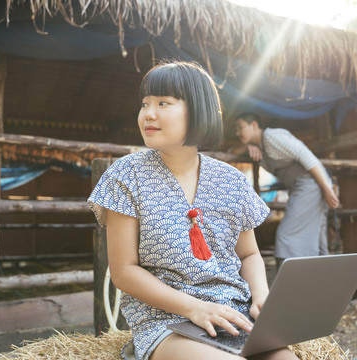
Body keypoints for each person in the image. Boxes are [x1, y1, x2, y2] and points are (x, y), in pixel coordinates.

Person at [88, 61, 299, 360]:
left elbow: (249, 254)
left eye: (163, 103)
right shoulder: (125, 176)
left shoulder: (231, 180)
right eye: (145, 104)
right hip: (167, 322)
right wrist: (194, 308)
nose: (148, 113)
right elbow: (124, 272)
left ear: (198, 109)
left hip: (234, 315)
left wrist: (262, 297)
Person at [231, 113, 340, 270]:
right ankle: (323, 286)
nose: (237, 133)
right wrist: (247, 147)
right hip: (303, 187)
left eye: (240, 128)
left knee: (286, 236)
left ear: (254, 125)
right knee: (318, 240)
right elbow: (232, 150)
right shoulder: (260, 146)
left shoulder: (271, 137)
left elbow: (306, 155)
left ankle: (290, 285)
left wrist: (327, 189)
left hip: (311, 185)